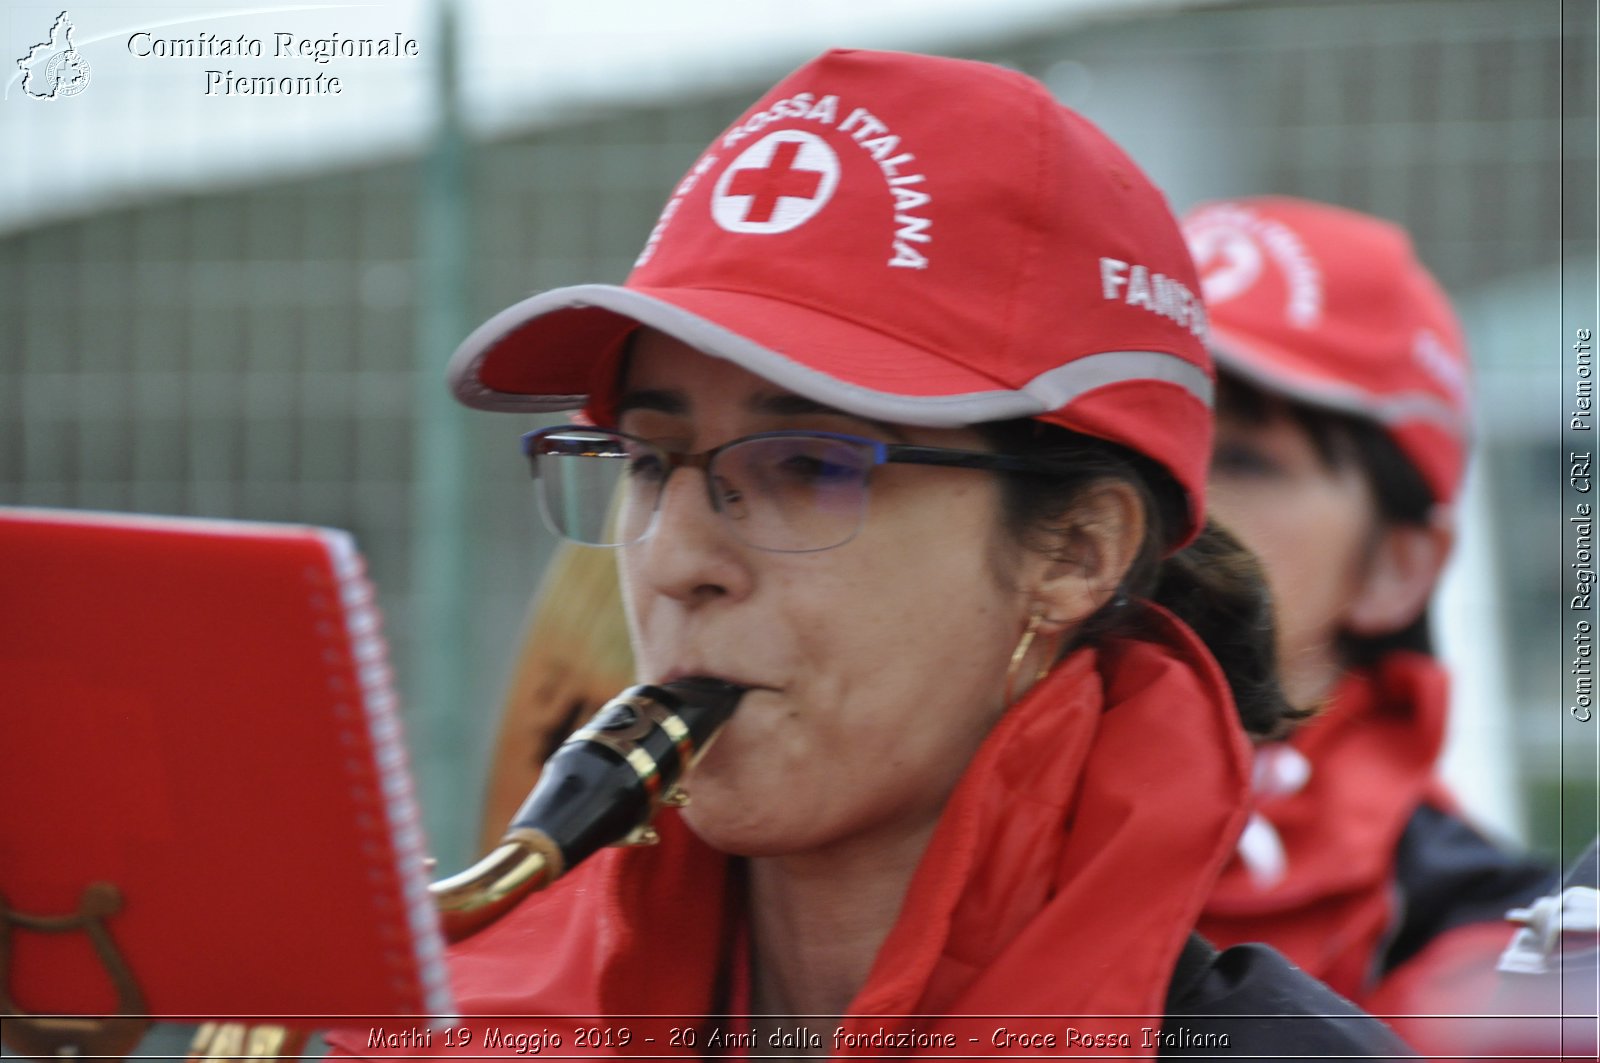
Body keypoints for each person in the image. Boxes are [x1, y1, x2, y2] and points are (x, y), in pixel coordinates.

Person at [334, 51, 1409, 1059]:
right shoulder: (450, 1019)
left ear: (1078, 552)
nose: (672, 562)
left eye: (807, 463)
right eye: (651, 461)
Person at [1180, 196, 1557, 1051]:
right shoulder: (908, 807)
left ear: (1401, 566)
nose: (1168, 497)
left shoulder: (1502, 957)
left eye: (1242, 459)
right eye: (1142, 435)